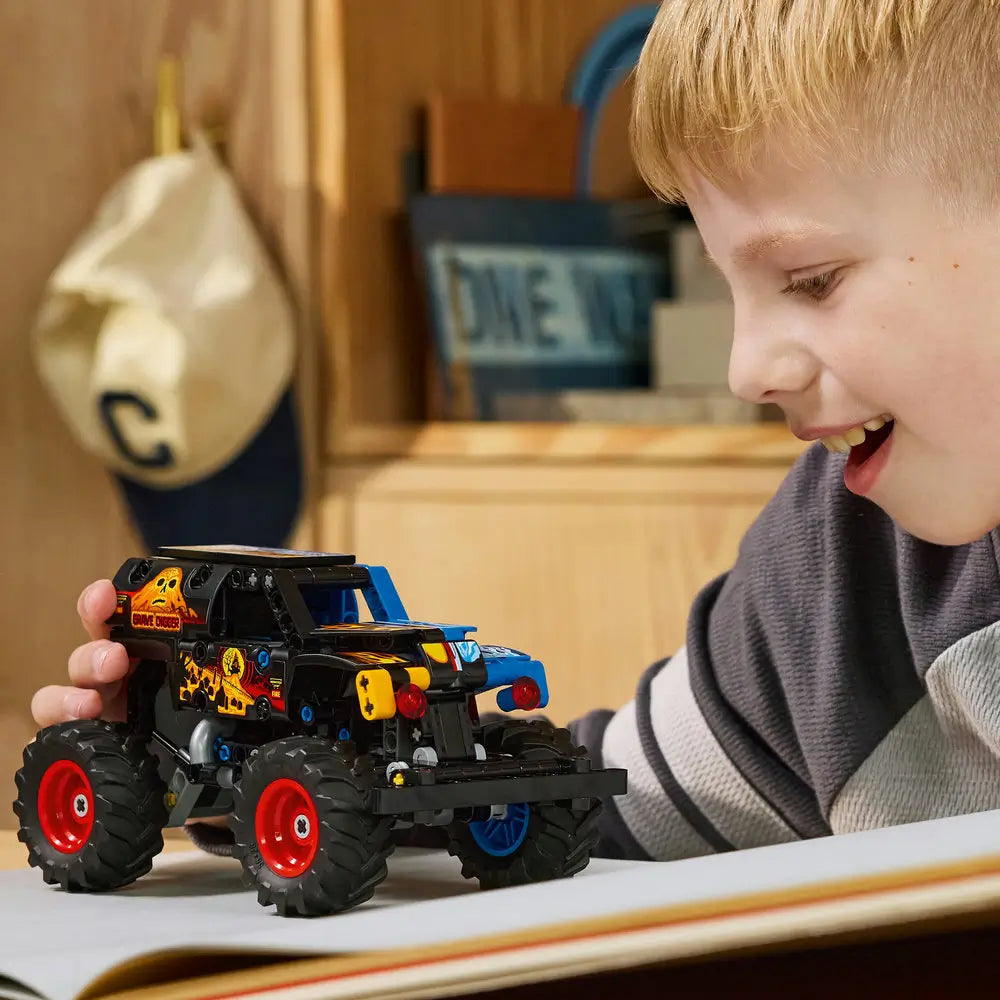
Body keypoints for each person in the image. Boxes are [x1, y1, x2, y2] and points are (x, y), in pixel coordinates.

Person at [31, 0, 1000, 862]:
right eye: (723, 284)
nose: (746, 369)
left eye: (811, 278)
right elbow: (583, 809)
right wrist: (205, 776)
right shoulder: (826, 583)